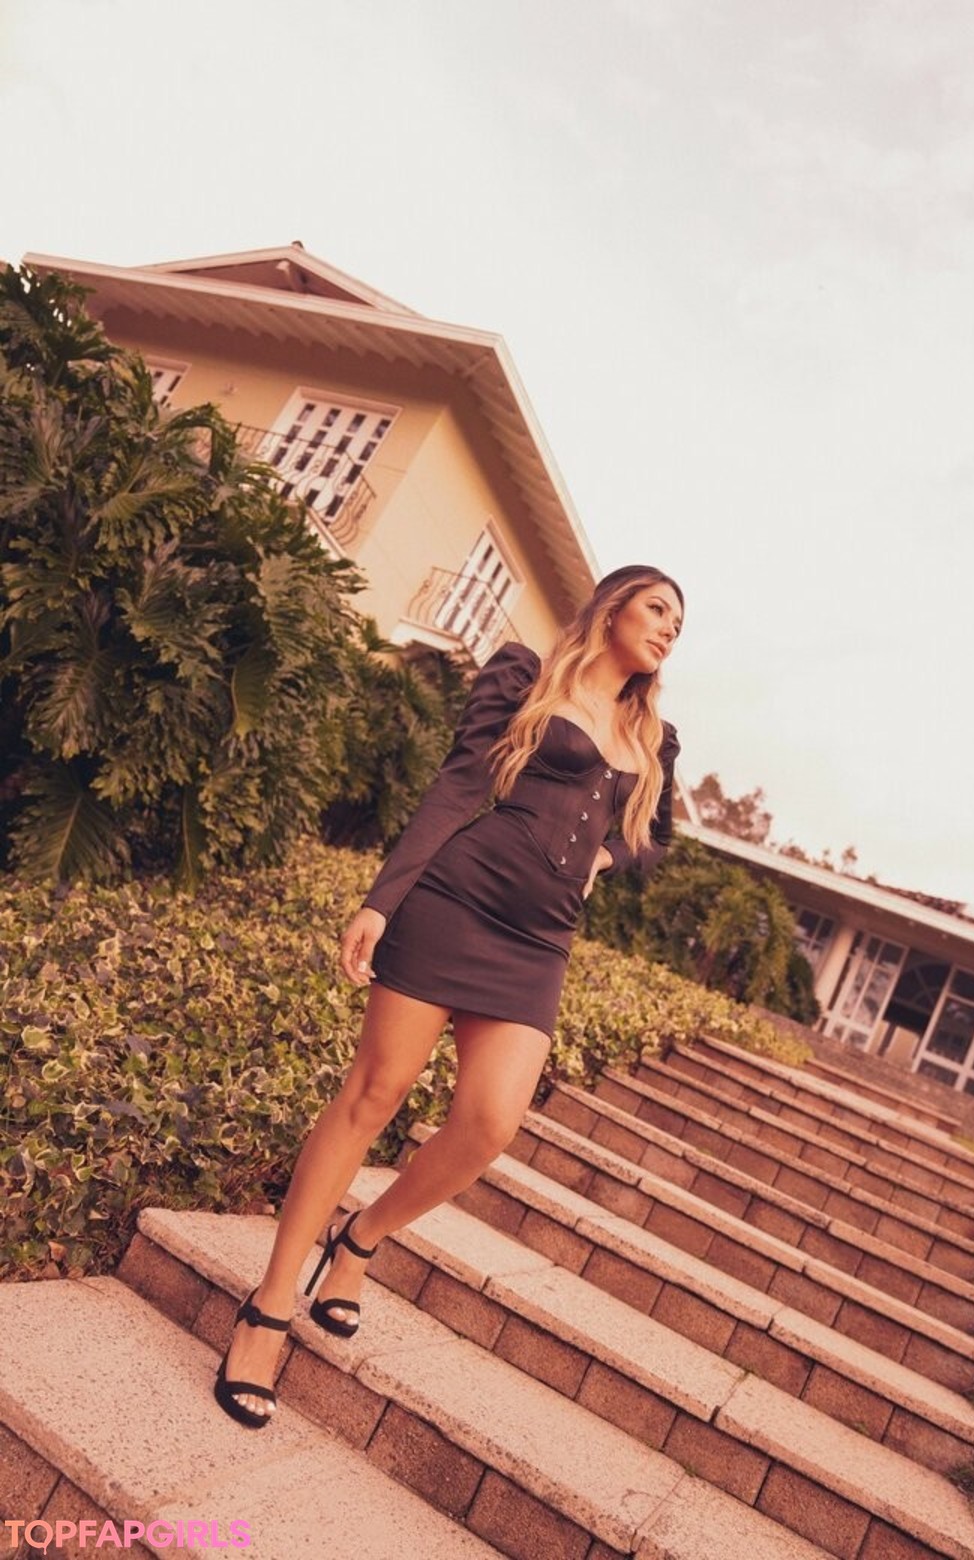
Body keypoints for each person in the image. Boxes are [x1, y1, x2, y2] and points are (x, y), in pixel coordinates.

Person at [214, 564, 683, 1427]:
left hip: (537, 944)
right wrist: (381, 901)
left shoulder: (653, 736)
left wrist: (605, 858)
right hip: (456, 901)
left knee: (490, 1122)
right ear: (612, 608)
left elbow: (655, 838)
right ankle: (269, 1308)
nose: (667, 630)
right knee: (373, 1095)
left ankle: (360, 1238)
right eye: (657, 610)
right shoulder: (526, 677)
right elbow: (459, 787)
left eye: (677, 626)